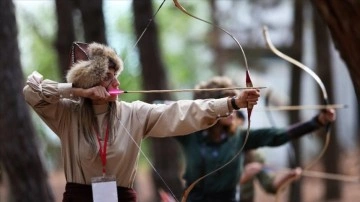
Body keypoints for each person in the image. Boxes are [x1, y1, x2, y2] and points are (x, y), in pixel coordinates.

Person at [22, 42, 260, 202]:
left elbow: (180, 112)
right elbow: (32, 91)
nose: (116, 83)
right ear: (88, 81)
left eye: (116, 76)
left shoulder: (133, 113)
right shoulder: (66, 114)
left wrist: (232, 103)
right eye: (107, 77)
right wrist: (78, 92)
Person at [174, 76, 335, 202]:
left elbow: (276, 135)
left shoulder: (239, 137)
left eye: (234, 104)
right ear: (212, 107)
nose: (233, 109)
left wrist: (317, 122)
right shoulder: (191, 136)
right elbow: (161, 113)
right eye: (227, 104)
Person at [233, 110, 302, 202]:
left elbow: (271, 186)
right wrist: (244, 176)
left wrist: (288, 177)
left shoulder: (254, 156)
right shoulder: (214, 150)